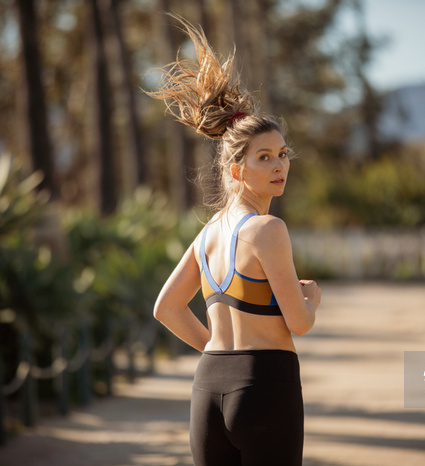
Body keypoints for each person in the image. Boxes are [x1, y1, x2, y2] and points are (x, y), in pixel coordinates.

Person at [147, 17, 321, 466]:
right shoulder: (267, 230)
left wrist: (216, 352)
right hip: (266, 386)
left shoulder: (206, 235)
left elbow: (165, 308)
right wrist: (311, 299)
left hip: (209, 389)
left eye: (283, 154)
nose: (279, 165)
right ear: (237, 170)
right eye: (264, 157)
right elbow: (298, 323)